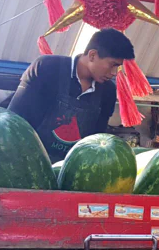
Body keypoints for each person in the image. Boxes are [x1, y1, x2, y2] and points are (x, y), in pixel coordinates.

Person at [8, 28, 134, 161]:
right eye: (112, 65)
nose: (114, 72)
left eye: (118, 67)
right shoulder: (46, 68)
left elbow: (96, 142)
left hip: (70, 169)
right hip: (27, 160)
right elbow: (14, 121)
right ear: (92, 55)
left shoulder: (108, 92)